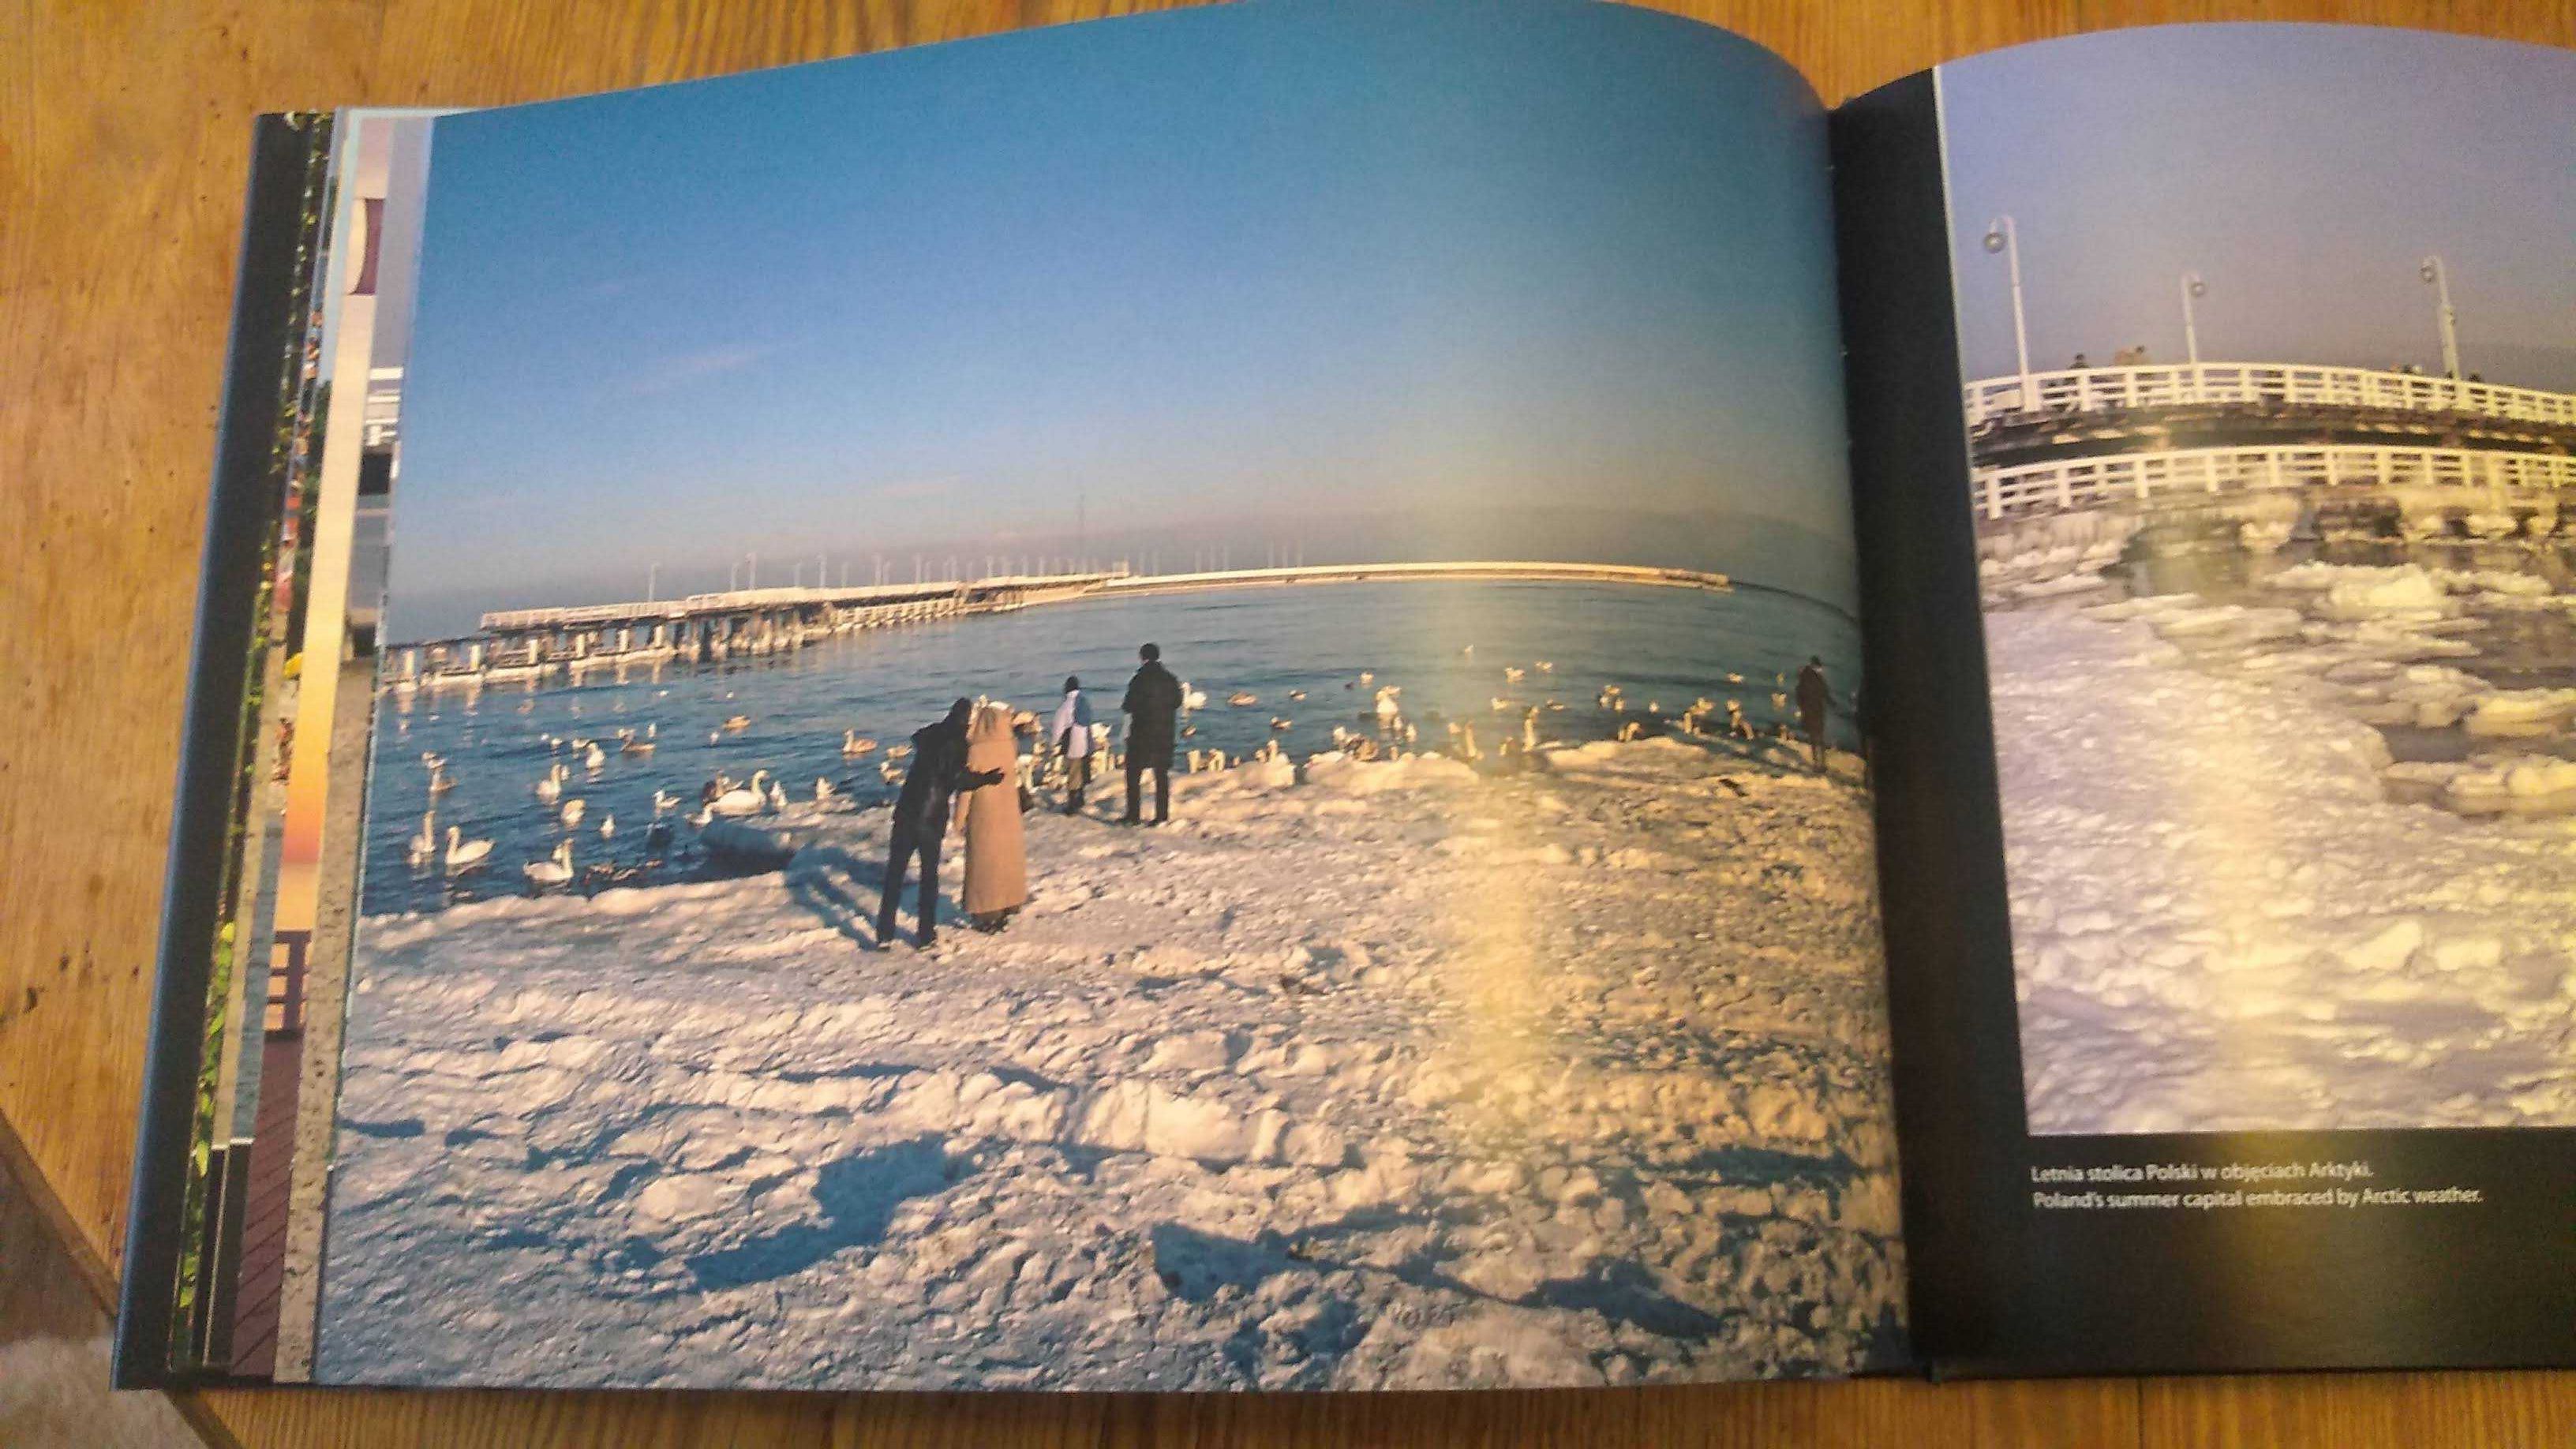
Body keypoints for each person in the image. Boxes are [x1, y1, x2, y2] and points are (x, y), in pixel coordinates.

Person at [875, 698, 1003, 948]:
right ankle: (925, 935)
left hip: (905, 813)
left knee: (894, 875)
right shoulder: (959, 744)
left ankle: (884, 934)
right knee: (928, 877)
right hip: (930, 820)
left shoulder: (932, 733)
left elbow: (917, 737)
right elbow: (958, 778)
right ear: (967, 720)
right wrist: (986, 779)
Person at [960, 702, 1028, 932]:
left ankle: (987, 913)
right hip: (1008, 812)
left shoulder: (975, 750)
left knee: (984, 864)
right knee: (1005, 861)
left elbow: (966, 788)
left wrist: (959, 817)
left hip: (983, 813)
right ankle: (1007, 905)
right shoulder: (1010, 746)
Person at [1121, 642, 1182, 824]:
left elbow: (1128, 706)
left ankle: (1133, 815)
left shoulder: (1138, 680)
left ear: (1142, 657)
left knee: (1133, 776)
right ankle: (1161, 816)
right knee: (1161, 776)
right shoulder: (1170, 679)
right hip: (1165, 734)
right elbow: (1178, 702)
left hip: (1142, 735)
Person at [1050, 676, 1094, 815]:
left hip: (1073, 742)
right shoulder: (1084, 702)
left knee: (1073, 773)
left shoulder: (1065, 706)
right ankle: (1081, 797)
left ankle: (1072, 805)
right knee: (1082, 769)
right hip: (1087, 740)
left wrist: (1053, 743)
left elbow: (1058, 728)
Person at [1795, 656, 1832, 773]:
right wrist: (1834, 705)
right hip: (1817, 711)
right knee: (1820, 738)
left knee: (1814, 738)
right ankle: (1821, 764)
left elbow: (1799, 696)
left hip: (1809, 712)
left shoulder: (1805, 677)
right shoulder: (1817, 679)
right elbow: (1825, 693)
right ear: (1817, 667)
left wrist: (1802, 709)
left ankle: (1817, 763)